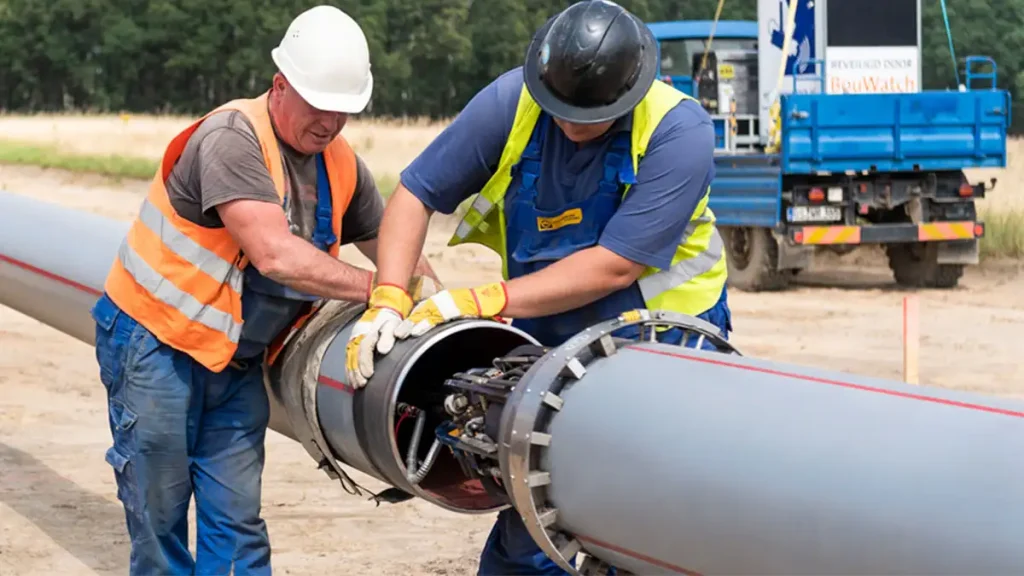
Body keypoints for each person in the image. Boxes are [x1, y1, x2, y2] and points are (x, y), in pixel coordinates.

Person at [345, 0, 731, 573]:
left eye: (587, 115)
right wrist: (389, 296)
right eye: (560, 109)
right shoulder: (514, 102)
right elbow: (415, 195)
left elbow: (615, 266)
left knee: (633, 511)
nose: (570, 124)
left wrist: (483, 300)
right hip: (545, 334)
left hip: (660, 343)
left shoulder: (680, 131)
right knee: (536, 502)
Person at [89, 5, 438, 575]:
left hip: (235, 363)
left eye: (343, 111)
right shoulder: (231, 138)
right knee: (160, 515)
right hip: (155, 346)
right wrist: (385, 292)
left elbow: (395, 249)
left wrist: (433, 301)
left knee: (238, 520)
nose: (329, 123)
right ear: (280, 86)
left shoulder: (340, 163)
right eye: (318, 106)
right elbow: (274, 255)